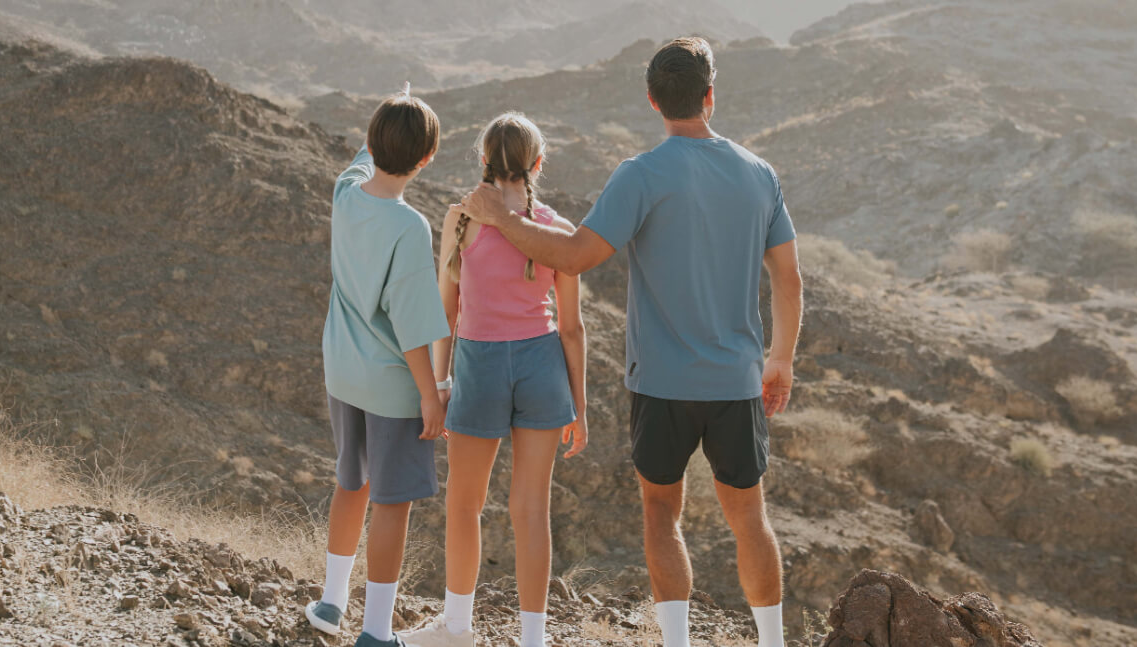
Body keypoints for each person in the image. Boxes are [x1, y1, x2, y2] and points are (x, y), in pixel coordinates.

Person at [456, 37, 804, 647]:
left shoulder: (640, 176)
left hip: (662, 382)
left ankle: (677, 642)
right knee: (750, 518)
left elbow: (572, 257)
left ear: (653, 102)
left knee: (661, 512)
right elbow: (789, 277)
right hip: (738, 380)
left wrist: (502, 220)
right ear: (710, 97)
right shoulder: (759, 174)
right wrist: (780, 359)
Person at [400, 113, 587, 647]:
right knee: (531, 509)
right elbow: (572, 329)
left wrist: (438, 384)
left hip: (479, 365)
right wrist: (580, 407)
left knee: (465, 504)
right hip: (543, 367)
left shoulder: (460, 219)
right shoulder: (558, 230)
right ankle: (533, 639)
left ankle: (457, 627)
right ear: (537, 164)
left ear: (483, 161)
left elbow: (446, 311)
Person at [308, 88, 453, 647]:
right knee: (392, 502)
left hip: (343, 373)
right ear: (426, 160)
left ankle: (331, 602)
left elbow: (360, 160)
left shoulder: (345, 194)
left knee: (352, 483)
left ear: (369, 142)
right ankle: (375, 633)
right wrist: (431, 396)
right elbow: (414, 329)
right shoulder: (410, 227)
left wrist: (397, 104)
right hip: (393, 388)